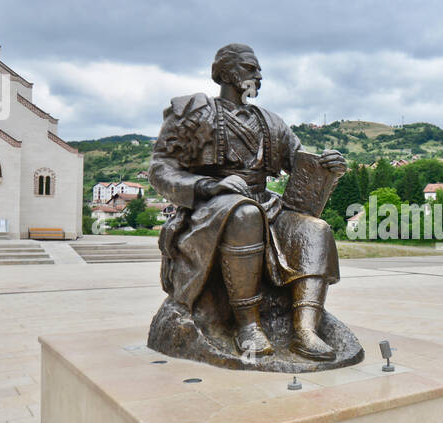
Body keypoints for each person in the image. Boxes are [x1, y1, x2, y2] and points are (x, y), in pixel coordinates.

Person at [149, 44, 348, 360]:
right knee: (244, 215)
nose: (259, 75)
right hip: (212, 208)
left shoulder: (270, 121)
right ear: (228, 72)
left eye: (258, 69)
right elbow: (160, 168)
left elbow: (301, 163)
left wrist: (328, 168)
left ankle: (305, 330)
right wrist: (207, 185)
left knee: (316, 230)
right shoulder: (193, 113)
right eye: (251, 68)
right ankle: (247, 327)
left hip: (266, 205)